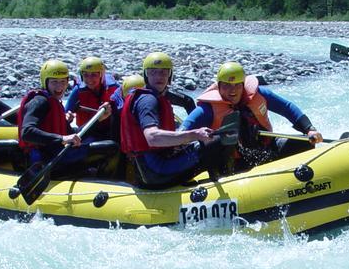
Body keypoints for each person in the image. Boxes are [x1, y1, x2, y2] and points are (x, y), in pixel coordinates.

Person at [180, 61, 323, 171]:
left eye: (237, 85)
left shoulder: (259, 94)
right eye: (227, 85)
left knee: (305, 143)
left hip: (267, 149)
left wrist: (309, 129)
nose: (232, 90)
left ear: (243, 85)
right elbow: (183, 130)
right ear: (219, 86)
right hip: (232, 164)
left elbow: (287, 108)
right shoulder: (208, 109)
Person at [17, 60, 117, 176]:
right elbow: (27, 132)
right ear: (45, 82)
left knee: (107, 145)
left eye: (63, 82)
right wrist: (62, 138)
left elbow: (76, 134)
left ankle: (90, 175)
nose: (60, 86)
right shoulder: (40, 101)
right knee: (112, 148)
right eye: (54, 82)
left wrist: (98, 119)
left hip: (58, 152)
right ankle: (105, 183)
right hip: (46, 159)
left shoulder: (55, 102)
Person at [119, 74, 218, 187]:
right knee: (214, 143)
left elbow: (187, 101)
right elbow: (152, 138)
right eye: (155, 73)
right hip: (155, 171)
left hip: (155, 161)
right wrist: (195, 134)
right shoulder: (146, 103)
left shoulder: (154, 99)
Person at [64, 56, 119, 142]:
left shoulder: (114, 88)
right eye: (86, 75)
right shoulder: (78, 91)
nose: (89, 79)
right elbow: (66, 113)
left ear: (101, 75)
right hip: (87, 131)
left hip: (111, 130)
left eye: (94, 75)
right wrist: (68, 117)